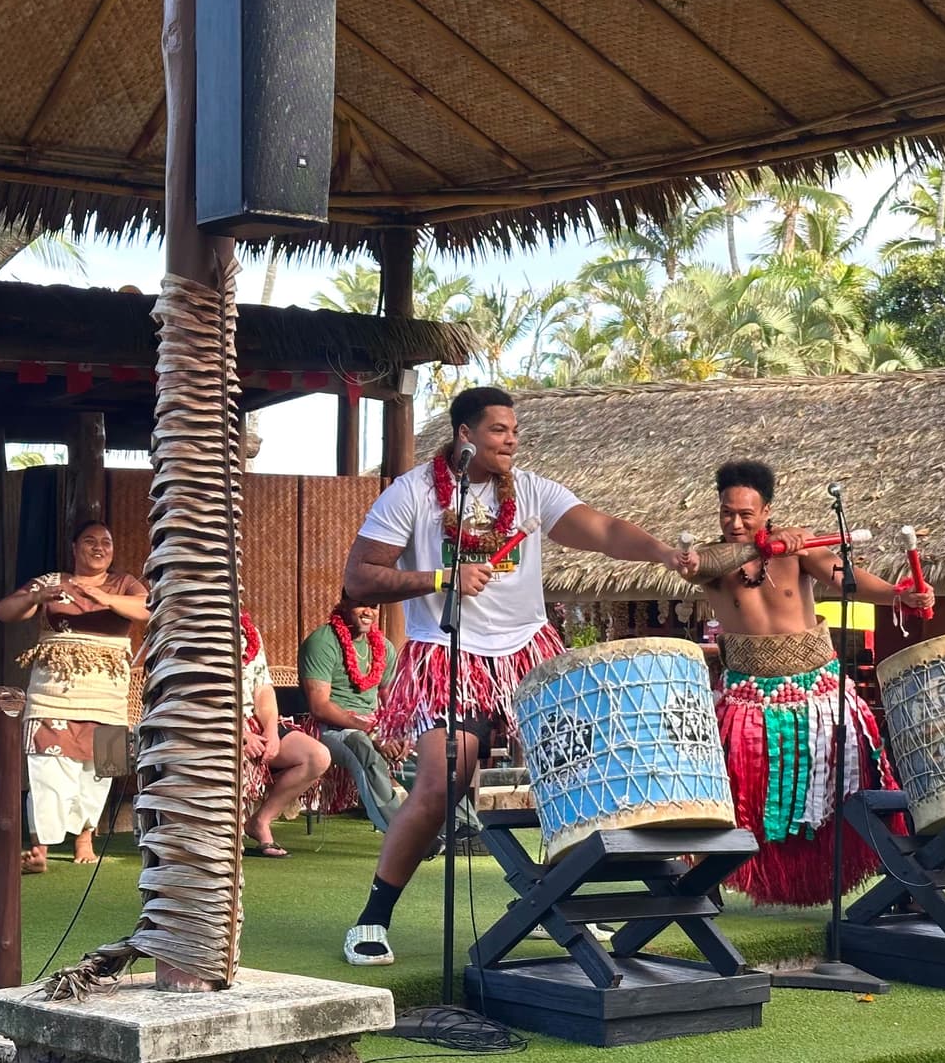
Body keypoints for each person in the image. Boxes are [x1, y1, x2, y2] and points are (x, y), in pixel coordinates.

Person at [337, 385, 697, 965]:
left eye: (513, 429)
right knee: (440, 786)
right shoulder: (412, 494)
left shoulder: (530, 491)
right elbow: (360, 578)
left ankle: (563, 902)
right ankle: (373, 918)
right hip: (448, 656)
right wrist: (441, 580)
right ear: (465, 435)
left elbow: (601, 530)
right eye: (500, 429)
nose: (512, 438)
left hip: (527, 652)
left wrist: (660, 553)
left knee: (575, 776)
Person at [698, 459, 932, 907]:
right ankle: (708, 889)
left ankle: (900, 882)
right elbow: (692, 565)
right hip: (748, 703)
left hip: (820, 698)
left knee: (853, 785)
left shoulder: (799, 550)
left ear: (766, 511)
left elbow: (846, 578)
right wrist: (760, 548)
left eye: (746, 515)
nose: (735, 522)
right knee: (732, 794)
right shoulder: (710, 563)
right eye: (727, 512)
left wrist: (897, 594)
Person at [0, 520, 148, 874]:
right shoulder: (51, 582)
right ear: (74, 546)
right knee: (48, 767)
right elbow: (5, 611)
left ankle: (84, 839)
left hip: (106, 695)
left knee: (100, 769)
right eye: (90, 541)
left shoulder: (124, 584)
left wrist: (104, 598)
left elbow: (147, 609)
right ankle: (40, 848)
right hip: (53, 694)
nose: (99, 548)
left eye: (106, 542)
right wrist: (34, 597)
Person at [300, 599, 406, 833]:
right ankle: (401, 834)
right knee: (363, 748)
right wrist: (372, 731)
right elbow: (319, 706)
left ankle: (458, 825)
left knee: (424, 750)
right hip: (330, 729)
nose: (369, 611)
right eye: (361, 605)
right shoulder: (323, 642)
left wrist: (398, 731)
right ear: (345, 604)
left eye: (374, 606)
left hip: (374, 726)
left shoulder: (384, 647)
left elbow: (390, 699)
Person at [239, 609, 332, 857]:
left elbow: (263, 689)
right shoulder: (196, 634)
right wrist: (239, 734)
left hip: (255, 722)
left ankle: (260, 821)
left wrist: (271, 730)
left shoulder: (249, 632)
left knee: (317, 756)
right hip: (214, 725)